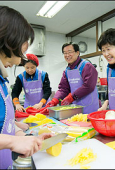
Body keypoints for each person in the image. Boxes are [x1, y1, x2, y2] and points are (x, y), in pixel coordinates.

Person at [0, 6, 53, 169]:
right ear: (7, 42)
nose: (18, 62)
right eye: (19, 54)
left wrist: (24, 136)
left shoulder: (2, 81)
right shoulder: (19, 77)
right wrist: (13, 141)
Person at [46, 42, 99, 114]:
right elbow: (63, 89)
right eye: (65, 53)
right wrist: (55, 100)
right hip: (76, 107)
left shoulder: (87, 66)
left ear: (77, 53)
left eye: (69, 52)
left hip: (90, 107)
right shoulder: (67, 71)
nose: (67, 55)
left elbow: (88, 86)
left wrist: (71, 97)